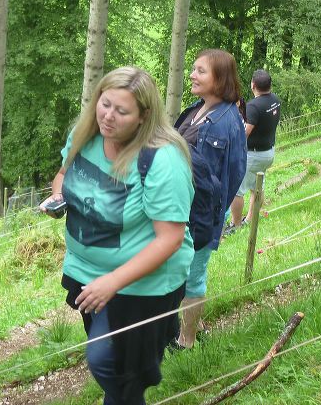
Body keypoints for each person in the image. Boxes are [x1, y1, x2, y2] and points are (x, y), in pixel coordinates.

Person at [40, 67, 194, 405]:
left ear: (144, 116)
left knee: (108, 363)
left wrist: (112, 282)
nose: (108, 117)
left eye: (121, 111)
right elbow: (63, 174)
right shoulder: (85, 135)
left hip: (143, 287)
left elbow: (170, 238)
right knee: (119, 373)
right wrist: (59, 196)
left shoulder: (162, 160)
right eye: (105, 104)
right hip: (87, 274)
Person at [173, 49, 246, 348]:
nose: (192, 75)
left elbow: (236, 172)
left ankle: (187, 340)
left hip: (202, 213)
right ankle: (196, 325)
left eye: (200, 71)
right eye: (193, 69)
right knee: (183, 270)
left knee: (193, 275)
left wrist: (216, 212)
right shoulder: (196, 109)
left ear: (220, 78)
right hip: (184, 206)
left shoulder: (227, 121)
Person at [226, 69, 281, 231]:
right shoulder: (275, 100)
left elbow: (245, 133)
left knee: (237, 190)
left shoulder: (253, 106)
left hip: (253, 155)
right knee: (258, 187)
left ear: (253, 85)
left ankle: (235, 225)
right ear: (270, 85)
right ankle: (250, 219)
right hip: (268, 153)